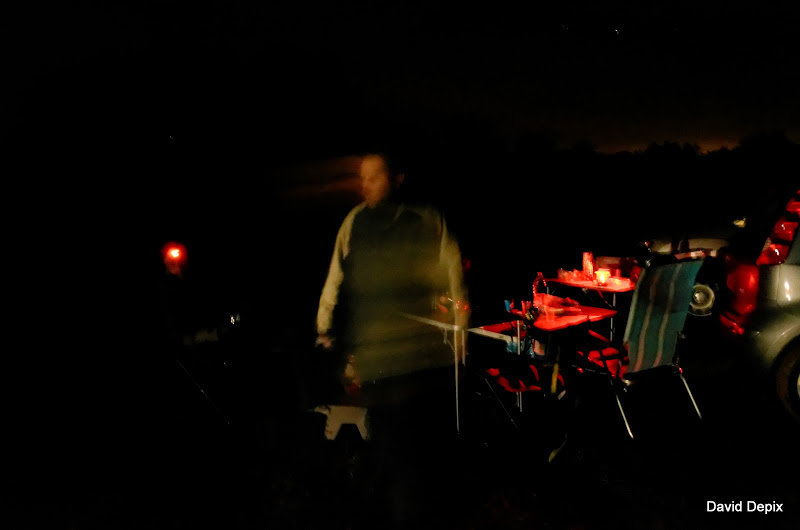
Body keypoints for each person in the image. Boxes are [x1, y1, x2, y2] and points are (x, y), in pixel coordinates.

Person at [315, 151, 469, 406]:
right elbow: (335, 279)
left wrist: (461, 337)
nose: (365, 186)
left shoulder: (427, 220)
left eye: (374, 178)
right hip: (377, 361)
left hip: (420, 359)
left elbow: (456, 281)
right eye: (363, 178)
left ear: (397, 179)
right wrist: (324, 328)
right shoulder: (355, 222)